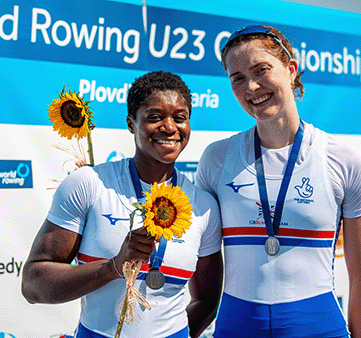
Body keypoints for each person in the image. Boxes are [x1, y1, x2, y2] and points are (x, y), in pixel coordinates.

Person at [195, 25, 361, 338]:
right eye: (237, 77)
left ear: (291, 70)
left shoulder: (345, 160)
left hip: (319, 329)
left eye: (261, 70)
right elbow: (201, 269)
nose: (251, 86)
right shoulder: (216, 158)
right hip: (235, 329)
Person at [21, 70, 223, 338]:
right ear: (131, 123)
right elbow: (33, 285)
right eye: (154, 117)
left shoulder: (204, 205)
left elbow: (207, 302)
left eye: (180, 117)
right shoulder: (89, 184)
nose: (170, 127)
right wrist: (113, 267)